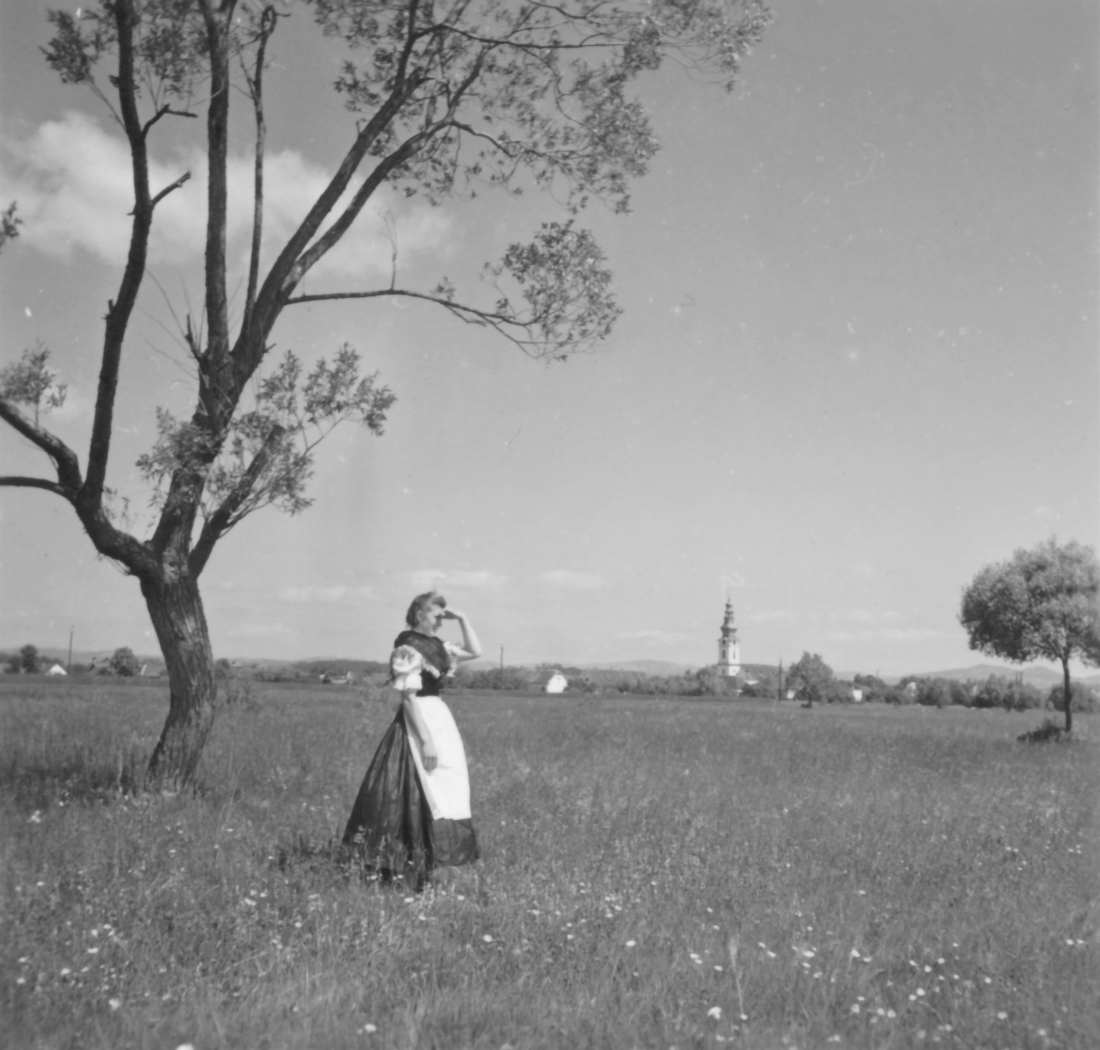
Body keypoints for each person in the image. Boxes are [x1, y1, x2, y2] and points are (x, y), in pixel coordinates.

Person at [343, 591, 482, 888]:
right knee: (413, 788)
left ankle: (424, 864)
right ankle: (399, 867)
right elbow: (408, 698)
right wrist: (426, 741)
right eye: (436, 616)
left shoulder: (437, 647)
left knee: (442, 788)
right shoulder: (408, 649)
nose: (440, 622)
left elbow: (475, 651)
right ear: (419, 612)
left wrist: (463, 619)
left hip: (439, 720)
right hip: (418, 721)